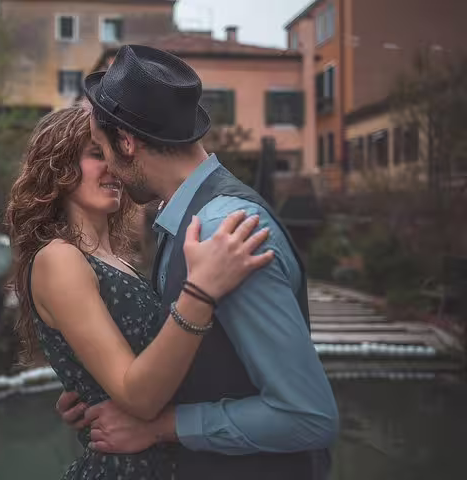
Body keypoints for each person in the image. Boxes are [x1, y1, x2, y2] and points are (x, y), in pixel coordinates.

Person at [55, 45, 340, 479]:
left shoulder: (223, 228)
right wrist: (102, 396)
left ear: (127, 143)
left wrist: (160, 426)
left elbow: (308, 416)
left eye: (101, 149)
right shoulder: (185, 218)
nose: (108, 166)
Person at [6, 105, 273, 479]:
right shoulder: (59, 259)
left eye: (114, 155)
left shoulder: (115, 260)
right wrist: (201, 291)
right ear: (59, 168)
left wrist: (90, 389)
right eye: (97, 154)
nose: (113, 168)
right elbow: (140, 398)